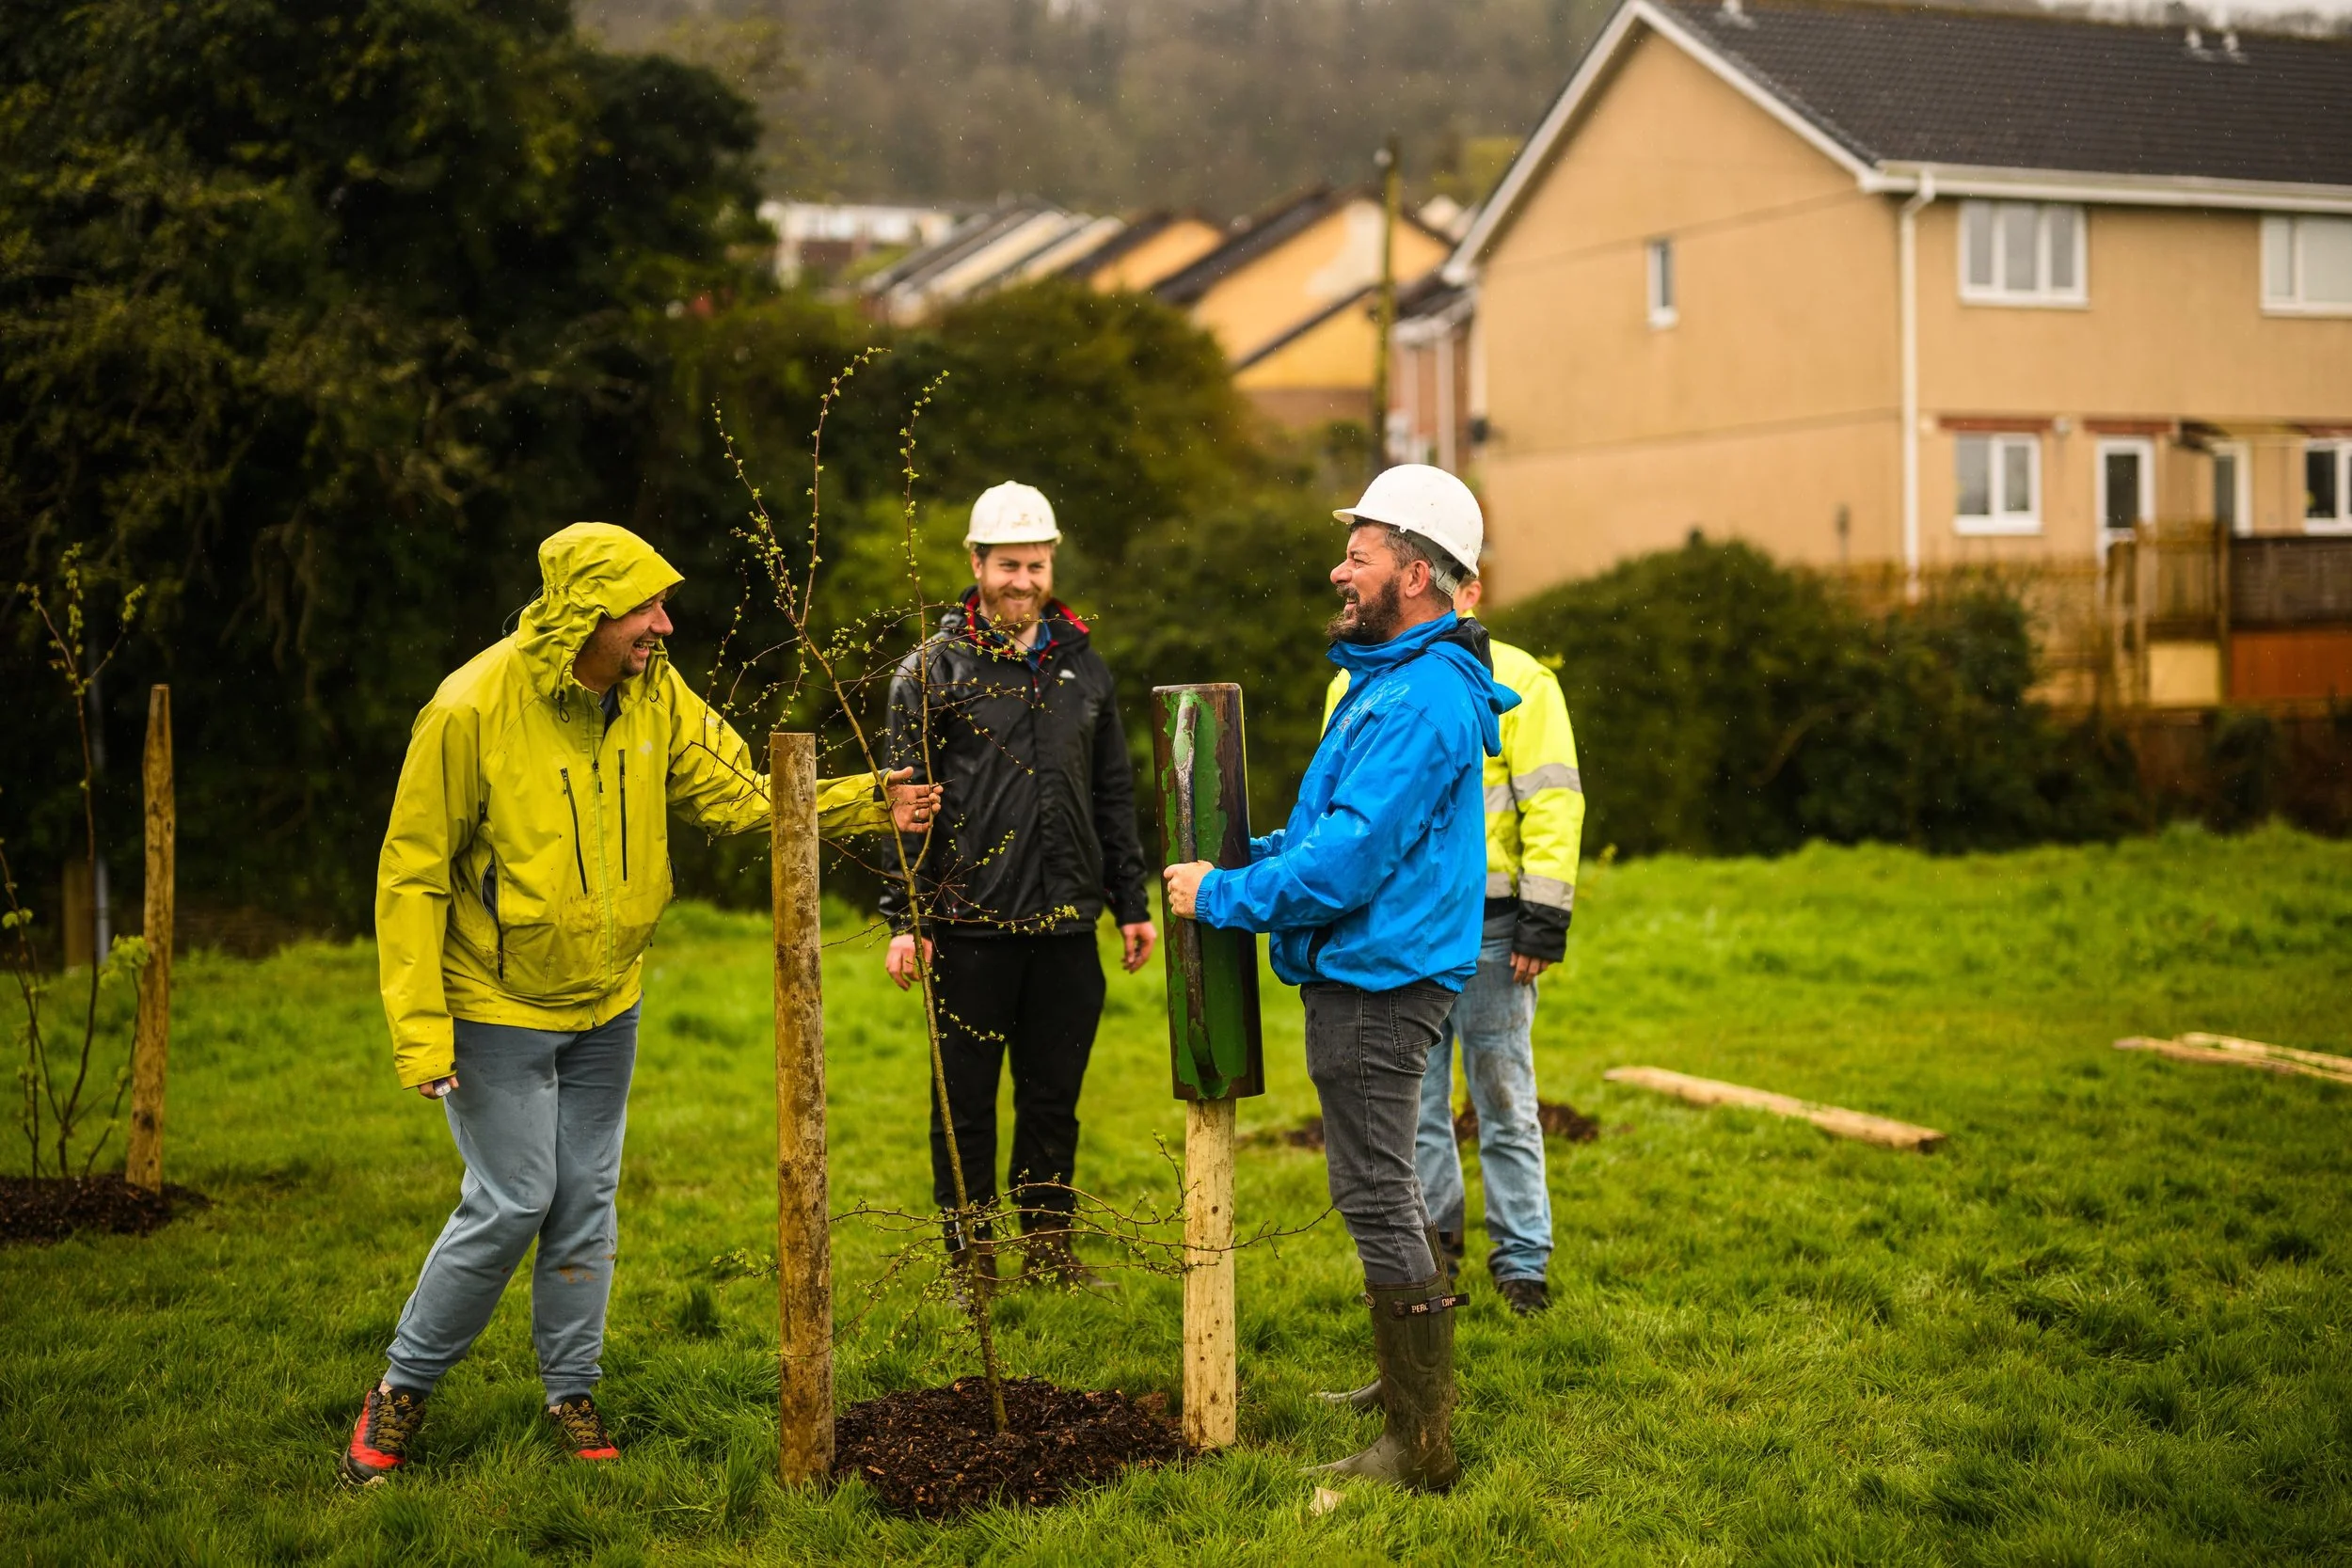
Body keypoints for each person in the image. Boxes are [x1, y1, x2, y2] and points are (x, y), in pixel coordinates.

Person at [349, 522, 938, 1486]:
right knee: (512, 1200)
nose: (664, 625)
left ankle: (570, 1389)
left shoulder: (650, 694)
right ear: (588, 612)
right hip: (494, 1000)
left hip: (606, 998)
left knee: (584, 1201)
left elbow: (745, 796)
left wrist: (871, 798)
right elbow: (411, 874)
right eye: (645, 608)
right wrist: (421, 1029)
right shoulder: (469, 708)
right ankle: (400, 1392)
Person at [1163, 464, 1514, 1493]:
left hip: (1378, 978)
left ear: (1413, 571)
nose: (1336, 567)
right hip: (1379, 966)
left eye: (1356, 553)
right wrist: (1252, 852)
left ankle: (1417, 1444)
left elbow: (1350, 863)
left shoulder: (1416, 700)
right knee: (1386, 1186)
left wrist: (1225, 894)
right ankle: (1404, 1395)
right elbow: (1336, 830)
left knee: (1373, 1191)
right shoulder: (1398, 682)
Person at [880, 482, 1156, 1294]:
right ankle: (970, 1262)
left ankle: (1050, 1252)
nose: (1023, 581)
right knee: (963, 1108)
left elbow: (1113, 794)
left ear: (1051, 564)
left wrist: (1131, 903)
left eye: (1036, 565)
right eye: (1008, 565)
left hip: (1070, 927)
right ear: (975, 564)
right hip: (967, 928)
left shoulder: (1085, 669)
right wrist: (906, 918)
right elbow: (906, 804)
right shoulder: (928, 672)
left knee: (1053, 1102)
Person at [1325, 574, 1583, 1318]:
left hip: (1500, 927)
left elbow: (1554, 801)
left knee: (1504, 1096)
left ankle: (1523, 1258)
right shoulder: (1357, 676)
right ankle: (1433, 1242)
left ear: (1474, 587)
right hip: (1407, 925)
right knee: (1417, 1103)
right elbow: (1343, 807)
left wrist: (1542, 916)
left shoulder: (1521, 677)